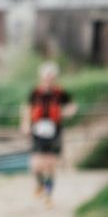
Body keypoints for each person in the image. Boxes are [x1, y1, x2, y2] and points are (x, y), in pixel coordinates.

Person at [21, 61, 76, 204]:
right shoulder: (35, 92)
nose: (48, 79)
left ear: (54, 78)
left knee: (50, 164)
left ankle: (48, 194)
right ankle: (40, 184)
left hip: (54, 130)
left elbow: (71, 106)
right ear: (42, 77)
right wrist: (25, 124)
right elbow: (27, 108)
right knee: (36, 164)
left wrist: (66, 112)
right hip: (38, 130)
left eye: (51, 77)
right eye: (46, 76)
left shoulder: (59, 92)